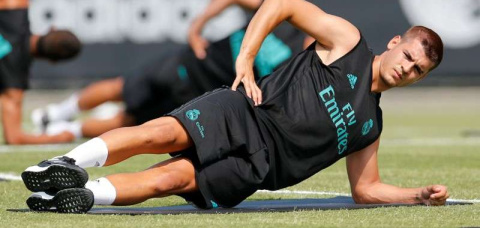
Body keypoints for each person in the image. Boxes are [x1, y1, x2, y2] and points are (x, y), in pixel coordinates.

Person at [21, 0, 448, 214]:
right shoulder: (348, 43)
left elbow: (365, 189)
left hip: (258, 168)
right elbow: (284, 4)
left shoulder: (370, 124)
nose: (407, 69)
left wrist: (418, 196)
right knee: (158, 134)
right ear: (395, 43)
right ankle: (65, 162)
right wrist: (246, 57)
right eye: (408, 57)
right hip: (245, 112)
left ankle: (76, 197)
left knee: (167, 181)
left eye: (418, 71)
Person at [31, 0, 312, 139]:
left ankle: (64, 129)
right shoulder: (284, 20)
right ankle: (57, 112)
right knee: (122, 87)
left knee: (130, 122)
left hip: (199, 93)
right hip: (187, 65)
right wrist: (198, 24)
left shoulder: (299, 66)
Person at [0, 0, 82, 144]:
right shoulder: (14, 84)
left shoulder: (14, 8)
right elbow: (14, 138)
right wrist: (60, 137)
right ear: (53, 62)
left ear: (51, 28)